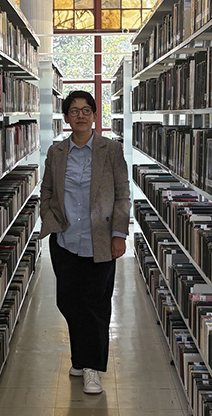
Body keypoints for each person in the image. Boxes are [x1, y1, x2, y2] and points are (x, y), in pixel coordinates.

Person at [39, 90, 131, 395]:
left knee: (94, 304)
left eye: (86, 110)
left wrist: (119, 234)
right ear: (66, 117)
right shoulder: (57, 152)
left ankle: (91, 367)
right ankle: (80, 358)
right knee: (68, 301)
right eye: (74, 111)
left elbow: (122, 194)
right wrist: (49, 220)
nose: (80, 115)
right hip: (65, 240)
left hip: (100, 242)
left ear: (94, 115)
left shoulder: (111, 150)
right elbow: (47, 191)